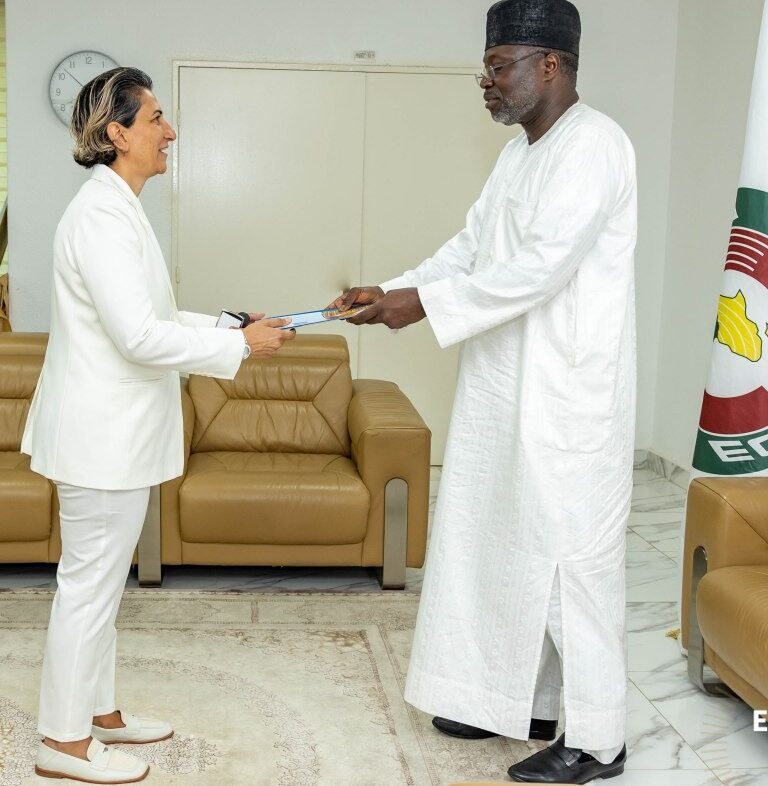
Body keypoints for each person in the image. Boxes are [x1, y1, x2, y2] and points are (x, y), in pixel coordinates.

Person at [332, 0, 636, 782]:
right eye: (487, 66)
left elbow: (538, 267)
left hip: (567, 397)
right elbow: (470, 250)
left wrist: (420, 305)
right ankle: (519, 701)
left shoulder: (594, 147)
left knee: (571, 564)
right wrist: (393, 288)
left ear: (552, 66)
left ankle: (599, 737)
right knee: (500, 544)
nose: (487, 81)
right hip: (505, 386)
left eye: (500, 66)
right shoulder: (520, 155)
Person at [22, 67, 294, 784]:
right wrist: (239, 348)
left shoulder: (118, 208)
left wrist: (237, 324)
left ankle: (101, 713)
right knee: (87, 589)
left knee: (100, 587)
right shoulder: (100, 217)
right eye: (155, 118)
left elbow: (156, 319)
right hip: (98, 438)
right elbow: (139, 339)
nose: (169, 131)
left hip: (114, 436)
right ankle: (63, 745)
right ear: (117, 134)